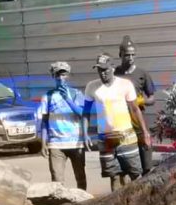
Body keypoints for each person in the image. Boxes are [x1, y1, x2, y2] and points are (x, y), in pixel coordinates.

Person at [84, 53, 152, 192]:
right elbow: (85, 112)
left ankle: (136, 204)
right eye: (99, 70)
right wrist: (85, 133)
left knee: (134, 174)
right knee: (113, 175)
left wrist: (145, 132)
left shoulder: (125, 84)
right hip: (105, 138)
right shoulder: (92, 87)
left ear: (113, 68)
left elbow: (135, 109)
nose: (103, 73)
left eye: (105, 70)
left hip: (126, 135)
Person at [38, 61, 87, 190]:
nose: (61, 78)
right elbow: (44, 121)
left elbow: (82, 114)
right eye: (58, 75)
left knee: (80, 177)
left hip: (76, 143)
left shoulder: (77, 94)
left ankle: (84, 204)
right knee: (57, 181)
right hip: (56, 144)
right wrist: (43, 143)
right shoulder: (48, 97)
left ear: (68, 76)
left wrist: (68, 99)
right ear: (54, 77)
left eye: (64, 75)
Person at [115, 35, 156, 175]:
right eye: (127, 55)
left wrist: (140, 101)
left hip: (138, 119)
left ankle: (147, 176)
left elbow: (152, 98)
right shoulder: (114, 74)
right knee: (124, 161)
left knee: (145, 148)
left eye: (133, 55)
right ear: (120, 55)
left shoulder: (142, 74)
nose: (130, 57)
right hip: (119, 120)